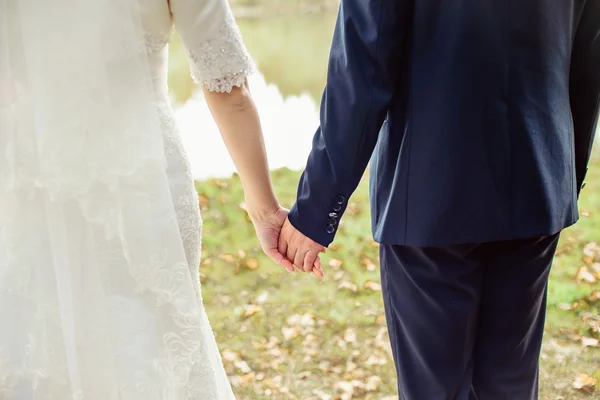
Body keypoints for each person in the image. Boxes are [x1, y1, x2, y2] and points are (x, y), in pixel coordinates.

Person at [278, 0, 600, 398]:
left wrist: (315, 209)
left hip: (430, 197)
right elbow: (588, 56)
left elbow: (363, 66)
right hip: (536, 184)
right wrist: (565, 170)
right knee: (510, 383)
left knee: (435, 389)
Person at [0, 0, 292, 398]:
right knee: (149, 349)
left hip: (30, 184)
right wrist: (264, 209)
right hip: (141, 181)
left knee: (45, 349)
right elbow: (227, 87)